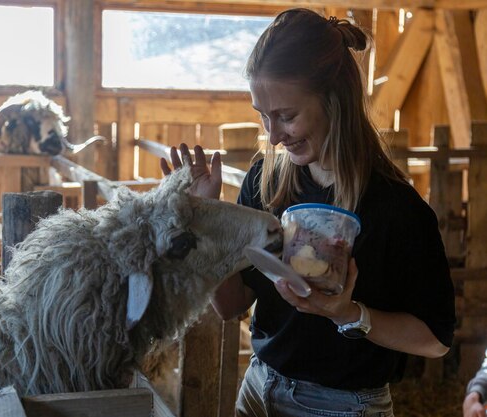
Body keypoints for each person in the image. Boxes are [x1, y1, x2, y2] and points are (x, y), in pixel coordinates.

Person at [160, 8, 456, 417]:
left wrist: (349, 314)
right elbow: (230, 306)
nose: (273, 135)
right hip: (258, 388)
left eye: (286, 116)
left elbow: (434, 340)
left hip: (343, 405)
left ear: (336, 101)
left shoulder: (397, 209)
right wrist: (203, 216)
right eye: (262, 115)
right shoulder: (265, 180)